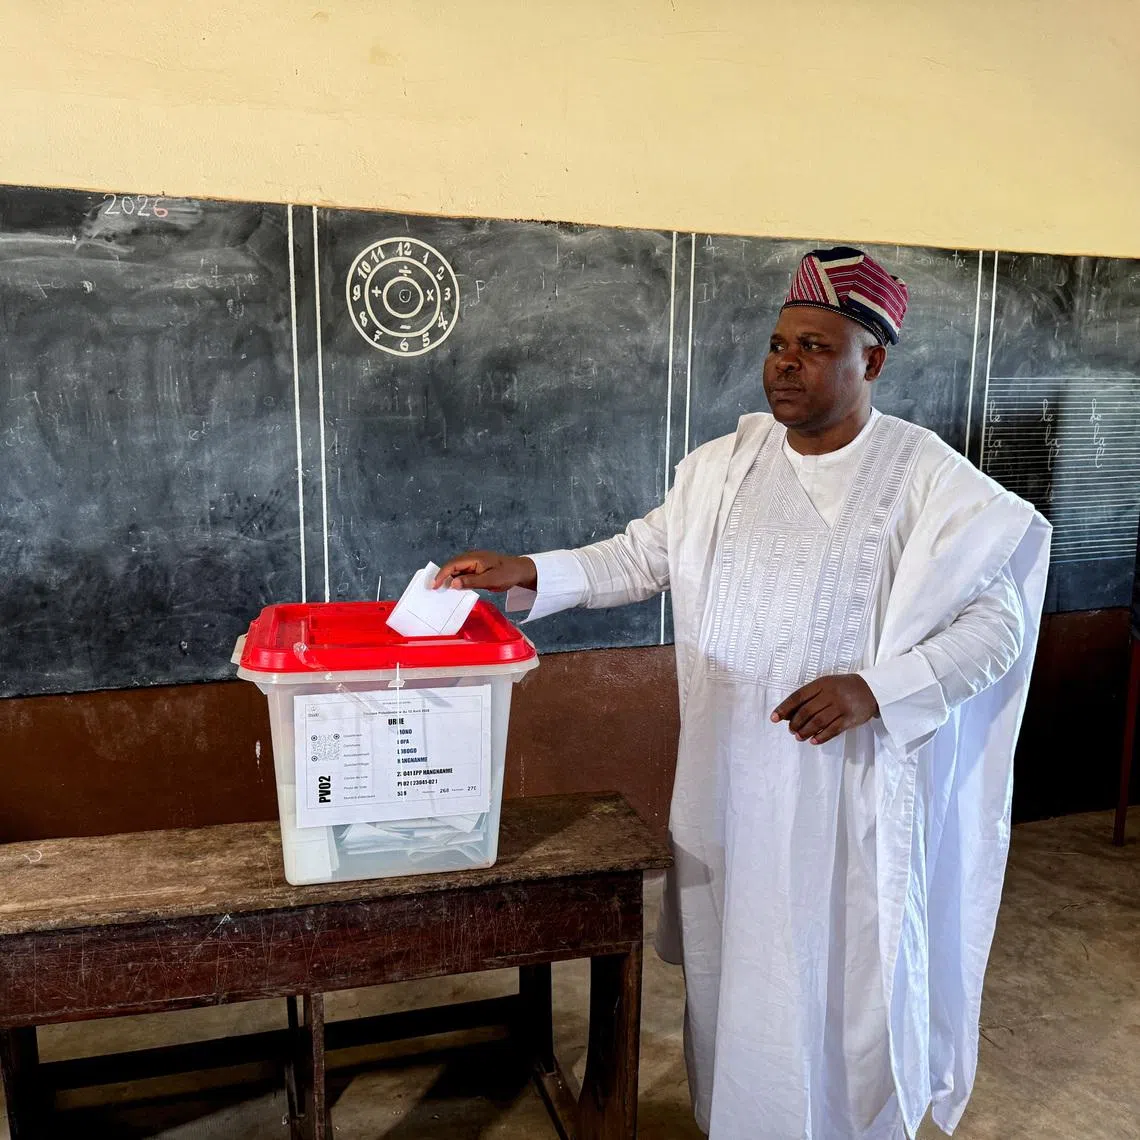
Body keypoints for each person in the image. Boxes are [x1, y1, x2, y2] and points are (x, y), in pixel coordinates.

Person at [433, 246, 1051, 1140]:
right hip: (732, 780)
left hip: (846, 793)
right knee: (738, 981)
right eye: (776, 344)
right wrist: (529, 570)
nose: (784, 365)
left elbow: (997, 629)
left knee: (840, 979)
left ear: (869, 362)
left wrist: (876, 689)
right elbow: (642, 554)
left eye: (812, 346)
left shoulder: (929, 480)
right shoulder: (725, 466)